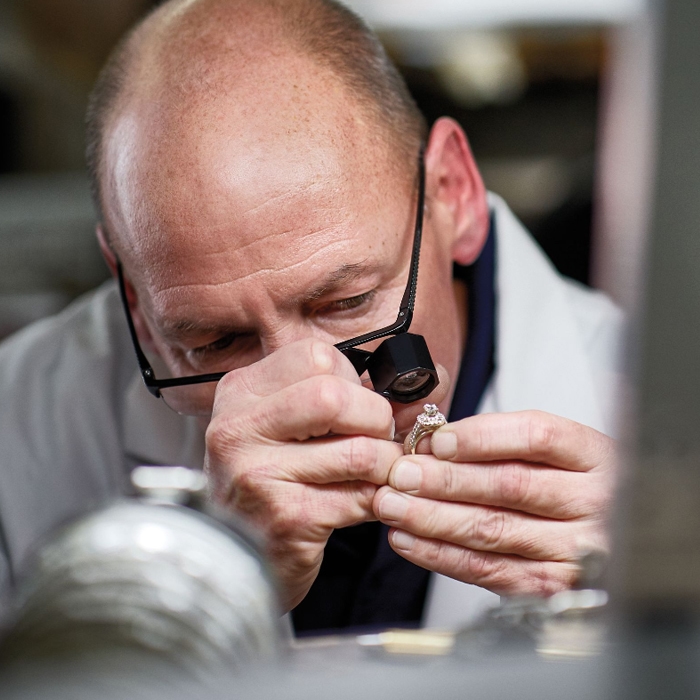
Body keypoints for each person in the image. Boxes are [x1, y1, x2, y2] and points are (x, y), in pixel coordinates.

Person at [0, 0, 622, 632]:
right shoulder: (20, 428)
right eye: (218, 342)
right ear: (132, 293)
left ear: (452, 193)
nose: (316, 395)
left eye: (348, 303)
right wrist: (208, 586)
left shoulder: (648, 405)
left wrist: (661, 602)